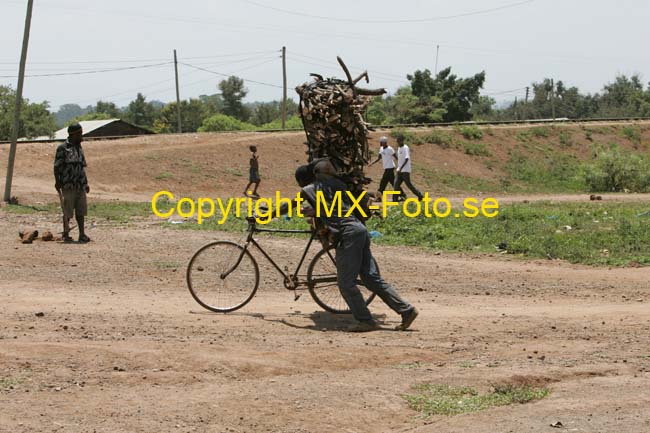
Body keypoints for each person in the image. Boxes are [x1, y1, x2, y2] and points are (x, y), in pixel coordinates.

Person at [292, 159, 419, 332]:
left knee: (346, 283)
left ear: (315, 175)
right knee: (371, 278)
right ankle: (406, 310)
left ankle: (365, 320)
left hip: (348, 234)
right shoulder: (338, 185)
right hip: (360, 230)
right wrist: (317, 210)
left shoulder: (310, 189)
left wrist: (268, 214)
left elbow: (289, 206)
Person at [53, 123, 90, 243]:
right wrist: (57, 182)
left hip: (80, 184)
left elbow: (82, 166)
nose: (81, 136)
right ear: (73, 134)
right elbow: (56, 167)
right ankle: (66, 233)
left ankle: (82, 234)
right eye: (80, 133)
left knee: (81, 210)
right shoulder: (63, 148)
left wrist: (86, 183)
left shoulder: (79, 148)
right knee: (68, 211)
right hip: (68, 184)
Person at [394, 135, 424, 201]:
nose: (397, 143)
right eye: (397, 141)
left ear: (401, 141)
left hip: (405, 171)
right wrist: (398, 168)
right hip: (399, 171)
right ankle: (395, 200)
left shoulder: (405, 148)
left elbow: (406, 159)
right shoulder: (399, 149)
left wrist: (401, 168)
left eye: (398, 141)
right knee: (396, 185)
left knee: (409, 185)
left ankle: (420, 195)